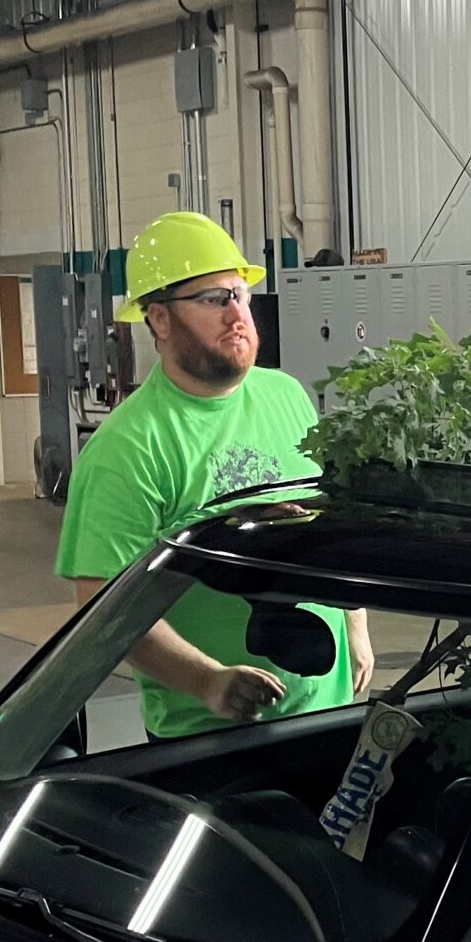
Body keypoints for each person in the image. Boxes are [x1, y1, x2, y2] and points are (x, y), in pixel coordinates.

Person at [56, 211, 372, 738]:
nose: (237, 314)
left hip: (329, 715)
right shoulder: (130, 447)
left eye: (240, 294)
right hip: (209, 739)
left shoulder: (287, 397)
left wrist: (357, 624)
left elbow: (329, 524)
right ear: (159, 319)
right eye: (213, 299)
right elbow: (104, 608)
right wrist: (208, 682)